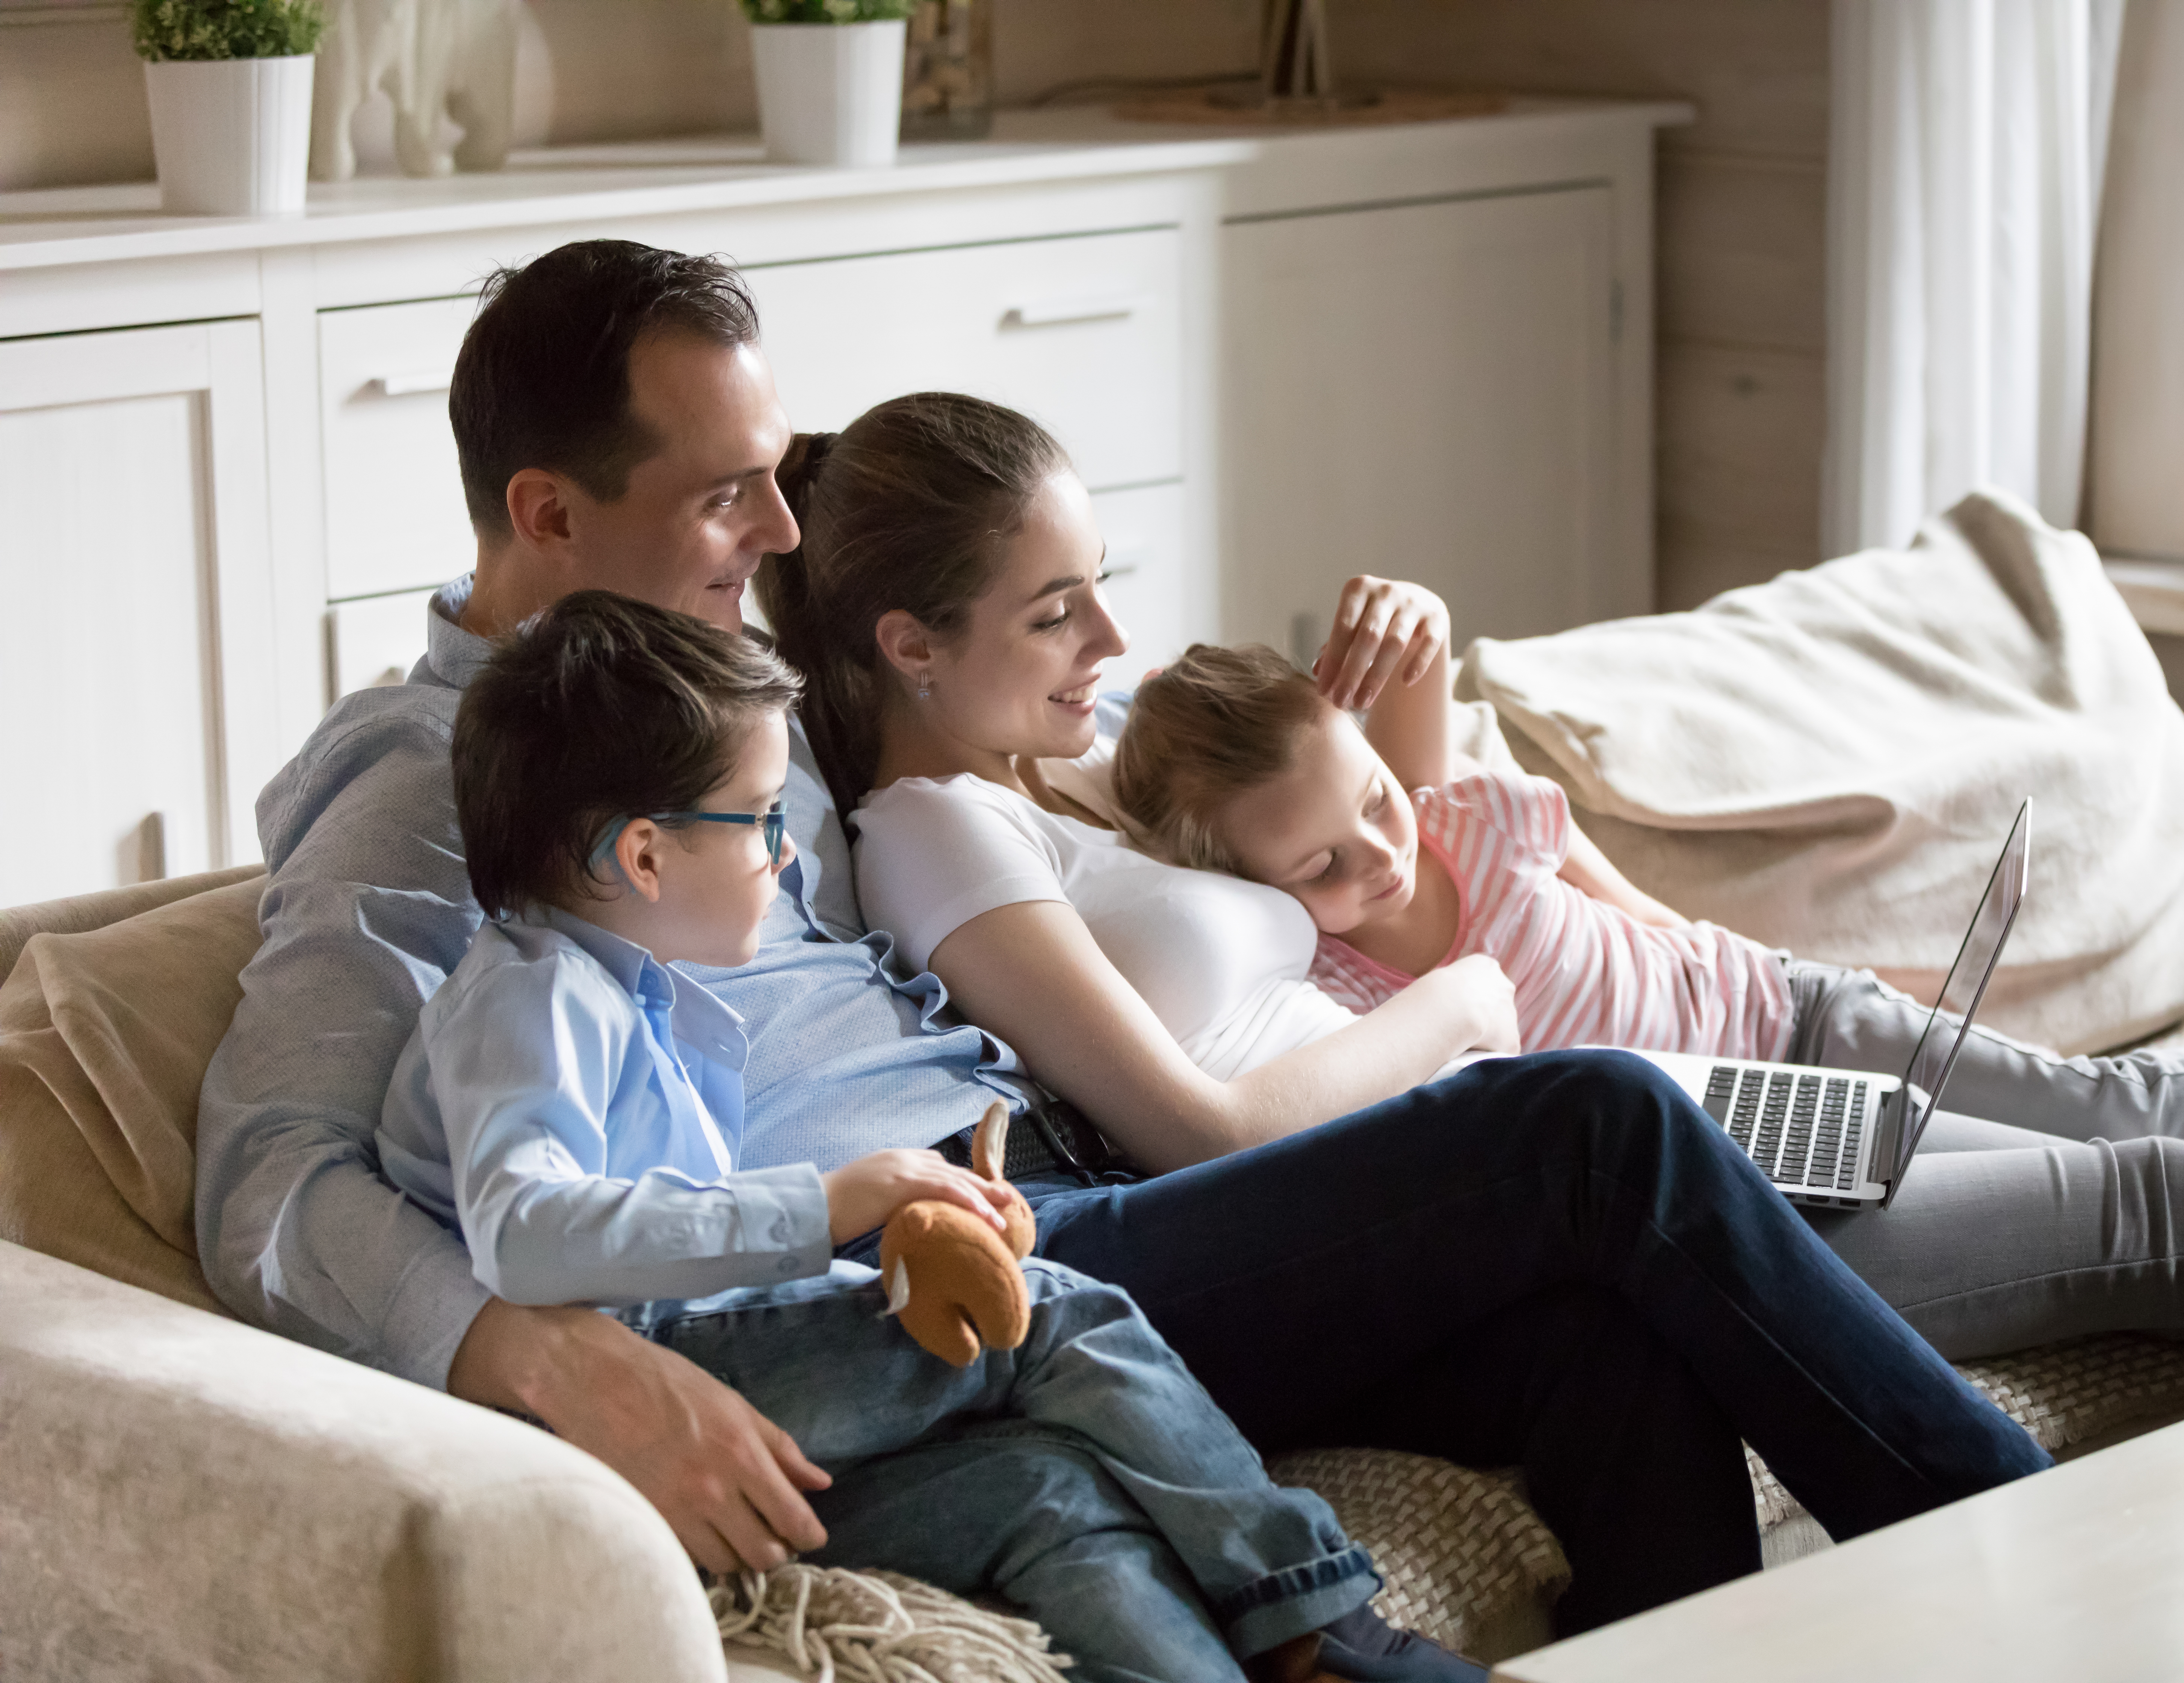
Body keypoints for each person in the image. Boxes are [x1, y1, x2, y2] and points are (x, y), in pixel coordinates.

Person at [195, 241, 2049, 1644]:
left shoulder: (737, 684)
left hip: (1077, 1201)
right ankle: (2049, 1570)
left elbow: (1061, 672)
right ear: (546, 516)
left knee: (1604, 1352)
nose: (783, 528)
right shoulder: (422, 788)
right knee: (1593, 1129)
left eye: (776, 475)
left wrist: (1366, 730)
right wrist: (534, 1350)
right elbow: (267, 1176)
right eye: (725, 494)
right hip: (949, 1278)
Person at [798, 392, 2184, 1391]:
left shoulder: (1061, 779)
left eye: (1102, 590)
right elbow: (1211, 1125)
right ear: (908, 643)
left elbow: (1395, 817)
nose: (1110, 638)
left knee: (2143, 1152)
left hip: (1658, 1106)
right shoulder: (934, 832)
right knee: (2171, 1212)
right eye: (1056, 613)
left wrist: (1404, 683)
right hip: (1575, 1182)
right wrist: (1467, 1002)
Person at [373, 588, 1398, 1683]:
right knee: (1056, 1313)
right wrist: (834, 1205)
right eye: (762, 820)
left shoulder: (645, 1000)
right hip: (630, 1413)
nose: (784, 858)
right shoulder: (535, 996)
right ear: (645, 860)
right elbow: (524, 1232)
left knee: (1048, 1490)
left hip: (723, 1429)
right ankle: (1313, 1613)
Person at [1107, 601, 2184, 1154]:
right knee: (2105, 1156)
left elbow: (1646, 919)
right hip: (1755, 1137)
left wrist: (1791, 981)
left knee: (2113, 1105)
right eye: (1327, 865)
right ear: (1256, 890)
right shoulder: (1337, 989)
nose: (1380, 847)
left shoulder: (1471, 815)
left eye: (1369, 797)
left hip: (1796, 1016)